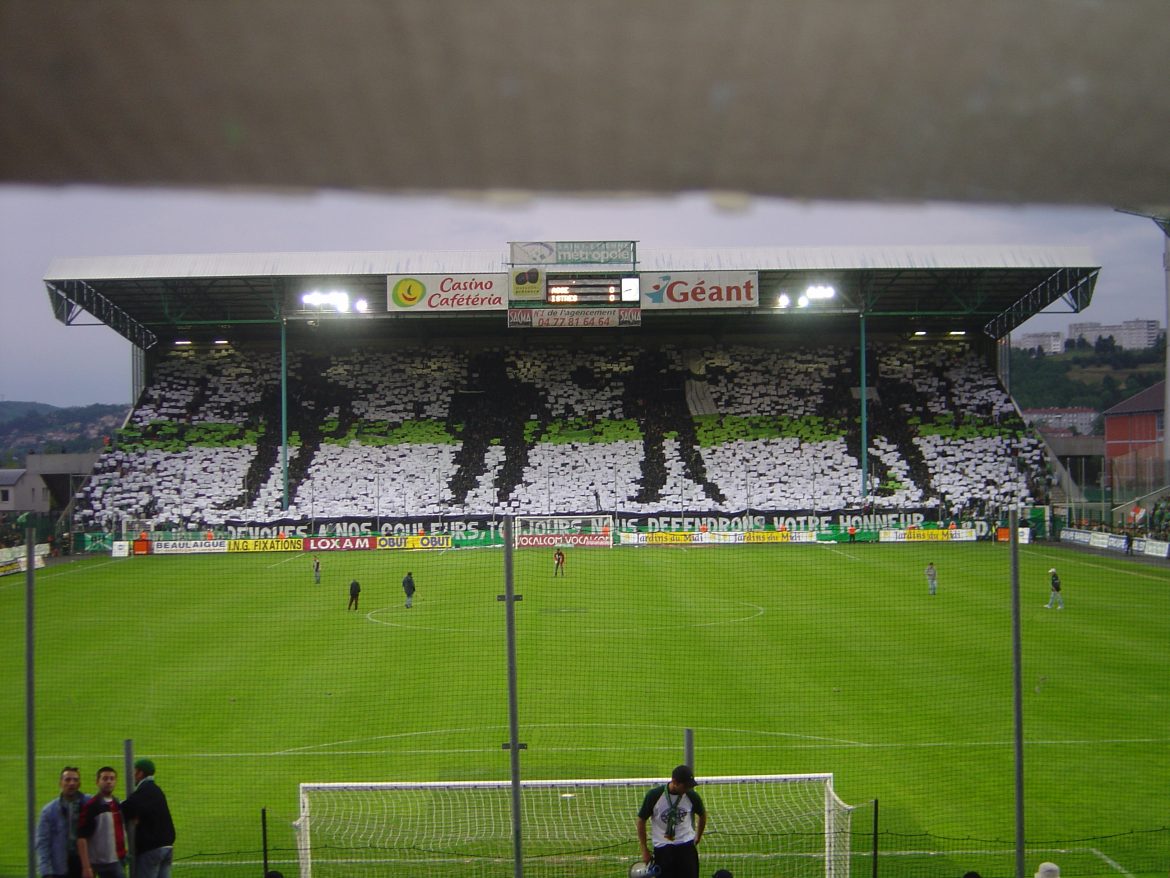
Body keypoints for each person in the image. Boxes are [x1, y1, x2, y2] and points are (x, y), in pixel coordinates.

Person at [636, 765, 706, 878]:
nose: (688, 789)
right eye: (685, 786)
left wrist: (698, 836)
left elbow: (702, 814)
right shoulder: (654, 795)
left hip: (686, 846)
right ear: (675, 782)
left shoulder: (691, 796)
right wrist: (644, 849)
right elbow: (641, 820)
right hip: (663, 848)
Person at [119, 759, 175, 878]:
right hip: (167, 847)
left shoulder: (144, 791)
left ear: (140, 773)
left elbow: (127, 809)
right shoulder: (156, 790)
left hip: (151, 850)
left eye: (134, 771)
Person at [36, 765, 89, 878]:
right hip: (59, 865)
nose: (71, 783)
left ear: (79, 784)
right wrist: (46, 871)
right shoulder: (49, 811)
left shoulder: (89, 803)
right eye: (67, 780)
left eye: (75, 780)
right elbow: (43, 842)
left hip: (84, 863)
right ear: (60, 783)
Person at [77, 766, 126, 878]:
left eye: (112, 779)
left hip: (117, 860)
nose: (109, 782)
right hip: (98, 863)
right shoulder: (92, 806)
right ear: (97, 782)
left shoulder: (117, 804)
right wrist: (86, 867)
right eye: (105, 778)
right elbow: (81, 837)